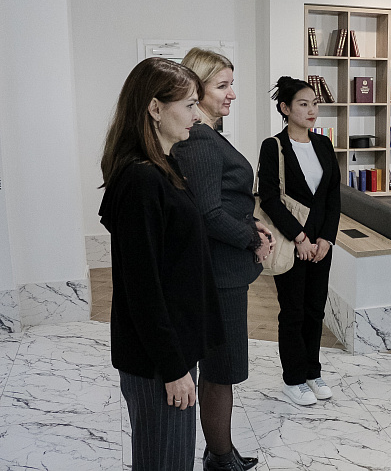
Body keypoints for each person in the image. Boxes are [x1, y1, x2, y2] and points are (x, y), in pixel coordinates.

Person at [99, 57, 223, 471]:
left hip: (172, 348)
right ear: (155, 108)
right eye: (188, 105)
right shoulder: (141, 180)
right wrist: (172, 369)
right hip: (157, 360)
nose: (197, 115)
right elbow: (143, 288)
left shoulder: (163, 167)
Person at [171, 48, 272, 471]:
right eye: (222, 85)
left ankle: (220, 452)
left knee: (221, 368)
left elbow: (222, 202)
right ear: (196, 89)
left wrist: (252, 225)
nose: (232, 93)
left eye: (232, 84)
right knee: (221, 370)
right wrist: (251, 239)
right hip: (219, 274)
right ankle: (220, 457)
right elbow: (208, 213)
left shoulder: (208, 136)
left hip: (223, 271)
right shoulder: (199, 140)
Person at [257, 76, 341, 406]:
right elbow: (269, 199)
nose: (311, 111)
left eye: (314, 104)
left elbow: (332, 196)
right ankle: (293, 379)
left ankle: (312, 372)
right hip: (292, 243)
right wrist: (300, 238)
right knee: (292, 312)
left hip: (321, 245)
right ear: (285, 108)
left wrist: (326, 239)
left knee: (315, 311)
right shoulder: (273, 146)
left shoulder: (324, 144)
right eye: (303, 104)